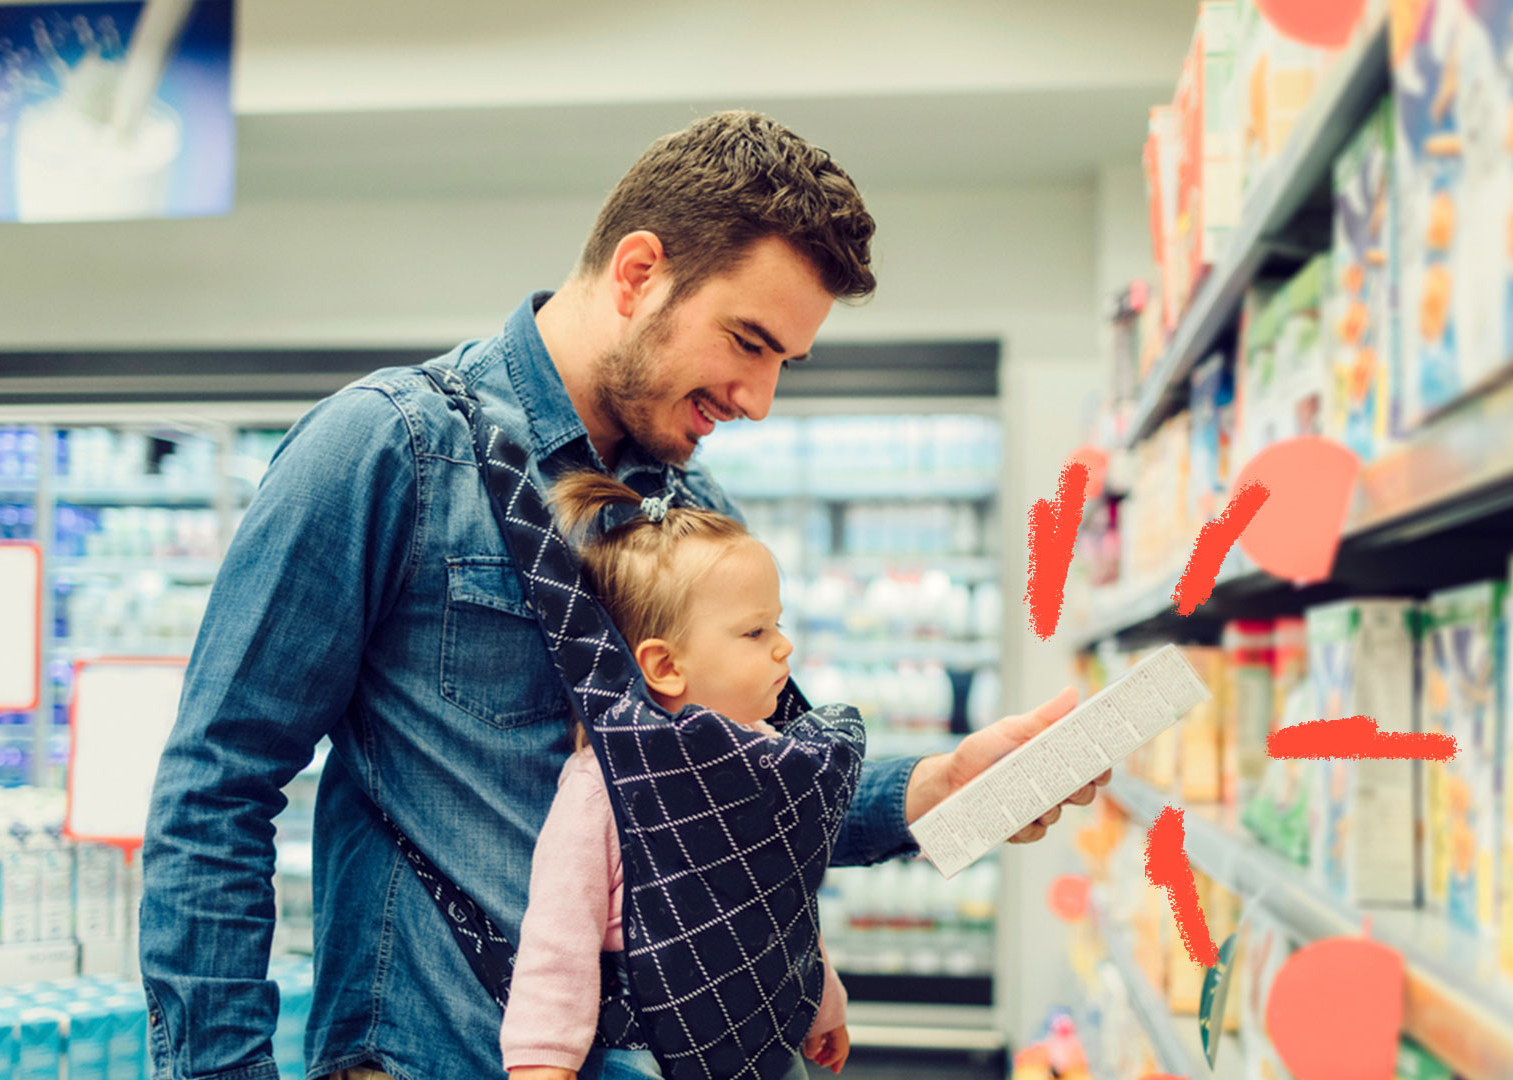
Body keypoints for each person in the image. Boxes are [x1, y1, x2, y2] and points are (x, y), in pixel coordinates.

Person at [139, 108, 1107, 1080]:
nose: (759, 397)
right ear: (639, 274)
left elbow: (729, 793)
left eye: (783, 363)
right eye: (748, 341)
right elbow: (217, 786)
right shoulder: (391, 450)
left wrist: (938, 790)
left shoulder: (694, 509)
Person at [501, 471, 849, 1080]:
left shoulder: (770, 751)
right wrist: (542, 1062)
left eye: (779, 623)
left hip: (770, 1041)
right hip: (645, 1055)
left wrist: (822, 1004)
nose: (784, 648)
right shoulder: (605, 783)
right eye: (755, 631)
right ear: (664, 665)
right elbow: (560, 934)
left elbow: (785, 902)